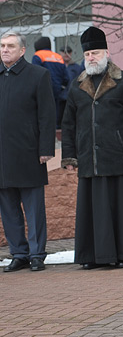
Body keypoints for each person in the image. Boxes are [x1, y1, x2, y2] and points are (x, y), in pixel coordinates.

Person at [61, 27, 123, 269]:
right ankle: (92, 257)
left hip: (118, 157)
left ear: (107, 53)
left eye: (96, 52)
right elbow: (68, 124)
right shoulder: (77, 85)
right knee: (92, 210)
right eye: (88, 53)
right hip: (89, 158)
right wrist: (69, 154)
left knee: (120, 208)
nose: (91, 57)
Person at [0, 31, 55, 272]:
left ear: (22, 51)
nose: (4, 50)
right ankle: (19, 253)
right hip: (2, 156)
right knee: (8, 209)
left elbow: (47, 114)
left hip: (30, 153)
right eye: (2, 46)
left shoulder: (38, 75)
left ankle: (36, 254)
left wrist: (46, 148)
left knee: (34, 210)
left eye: (10, 46)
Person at [32, 36, 68, 127]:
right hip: (57, 90)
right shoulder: (58, 57)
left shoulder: (38, 55)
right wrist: (61, 87)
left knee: (43, 113)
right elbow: (66, 78)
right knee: (55, 113)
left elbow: (35, 74)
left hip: (43, 90)